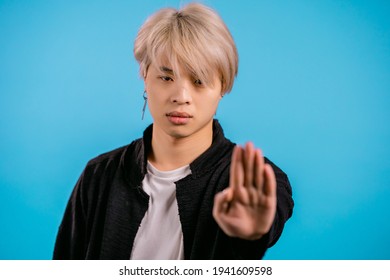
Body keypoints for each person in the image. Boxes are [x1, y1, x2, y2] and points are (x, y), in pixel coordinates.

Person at [53, 2, 294, 260]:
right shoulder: (99, 175)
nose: (181, 96)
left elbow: (269, 214)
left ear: (223, 86)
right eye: (167, 77)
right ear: (145, 76)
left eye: (199, 81)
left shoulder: (252, 180)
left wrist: (252, 231)